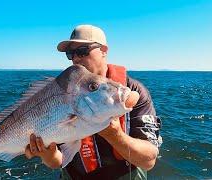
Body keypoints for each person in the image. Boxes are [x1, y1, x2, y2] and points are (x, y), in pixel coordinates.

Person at [24, 24, 162, 179]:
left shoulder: (131, 91)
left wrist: (114, 134)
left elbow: (149, 160)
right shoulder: (62, 93)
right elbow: (57, 162)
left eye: (82, 51)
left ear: (104, 50)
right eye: (70, 54)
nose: (76, 58)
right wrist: (46, 154)